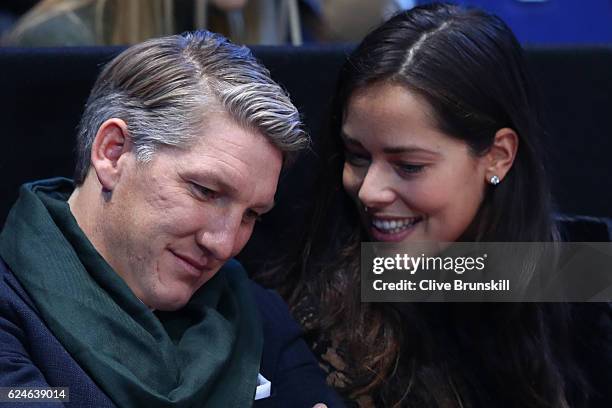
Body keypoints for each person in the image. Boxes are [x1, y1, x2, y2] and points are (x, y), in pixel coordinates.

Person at [261, 3, 612, 407]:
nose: (369, 191)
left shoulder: (577, 272)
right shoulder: (321, 304)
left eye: (409, 166)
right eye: (357, 156)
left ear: (498, 156)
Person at [0, 30, 342, 407]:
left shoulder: (252, 308)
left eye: (251, 215)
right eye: (205, 191)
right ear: (113, 153)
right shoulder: (12, 309)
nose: (224, 244)